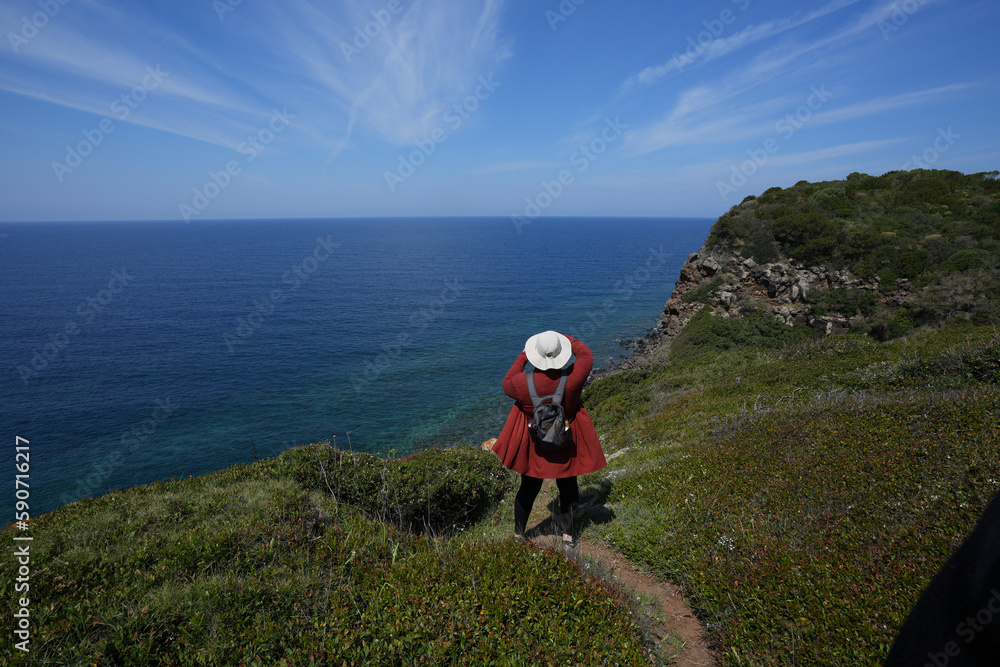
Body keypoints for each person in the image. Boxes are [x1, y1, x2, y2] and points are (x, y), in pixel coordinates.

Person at [491, 331, 607, 547]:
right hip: (565, 441)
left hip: (535, 444)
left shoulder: (520, 383)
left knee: (528, 487)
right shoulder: (573, 378)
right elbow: (586, 356)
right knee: (568, 486)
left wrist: (523, 356)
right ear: (560, 354)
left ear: (536, 355)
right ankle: (568, 538)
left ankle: (518, 536)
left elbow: (507, 381)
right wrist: (566, 339)